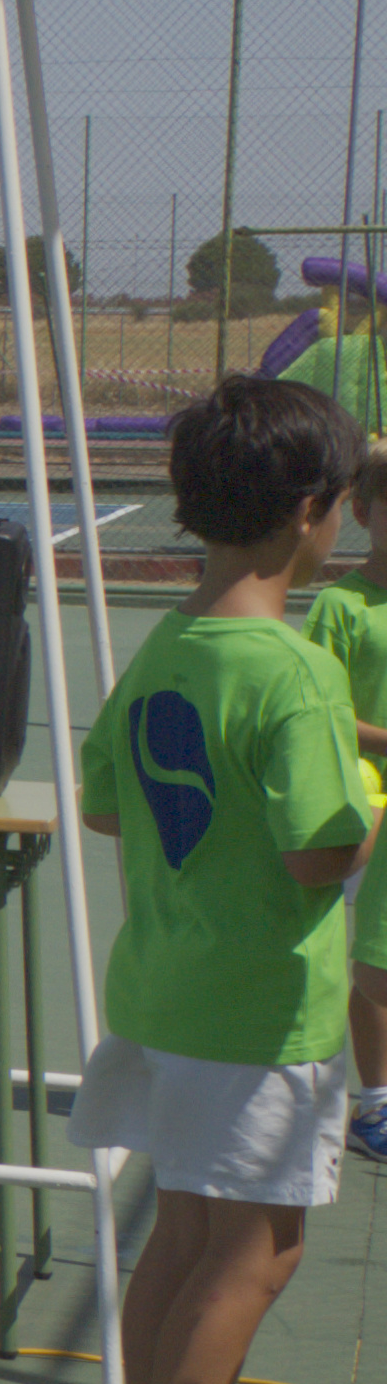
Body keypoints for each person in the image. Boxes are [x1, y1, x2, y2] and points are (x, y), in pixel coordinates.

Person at [70, 377, 373, 1384]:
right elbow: (319, 850)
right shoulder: (295, 670)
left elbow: (102, 804)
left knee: (185, 1243)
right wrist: (363, 811)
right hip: (259, 1014)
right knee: (257, 1255)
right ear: (310, 513)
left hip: (167, 996)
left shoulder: (171, 644)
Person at [302, 443, 387, 1164]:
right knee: (378, 964)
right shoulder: (341, 605)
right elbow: (325, 712)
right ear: (361, 511)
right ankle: (377, 1102)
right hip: (367, 810)